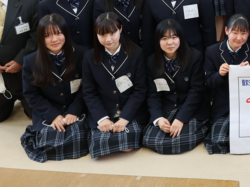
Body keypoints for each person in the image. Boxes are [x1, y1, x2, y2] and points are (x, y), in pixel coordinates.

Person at [21, 14, 88, 162]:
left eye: (58, 33)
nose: (54, 39)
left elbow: (87, 88)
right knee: (49, 142)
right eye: (48, 35)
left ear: (65, 33)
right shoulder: (30, 60)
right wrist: (53, 115)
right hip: (48, 110)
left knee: (81, 138)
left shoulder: (82, 54)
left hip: (76, 106)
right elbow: (31, 94)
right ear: (40, 38)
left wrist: (74, 111)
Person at [82, 13, 148, 158]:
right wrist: (102, 118)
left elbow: (140, 90)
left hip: (129, 111)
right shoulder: (89, 56)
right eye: (102, 35)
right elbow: (89, 92)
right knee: (100, 145)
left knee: (126, 146)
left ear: (121, 29)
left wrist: (125, 118)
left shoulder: (136, 53)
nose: (108, 39)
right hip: (104, 111)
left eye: (112, 33)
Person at [142, 19, 209, 154]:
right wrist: (159, 119)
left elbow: (196, 92)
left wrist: (181, 119)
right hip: (167, 108)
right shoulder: (151, 61)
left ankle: (203, 127)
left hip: (191, 109)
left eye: (174, 37)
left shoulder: (195, 57)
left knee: (180, 139)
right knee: (149, 139)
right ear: (158, 40)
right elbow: (152, 94)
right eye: (164, 38)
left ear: (181, 38)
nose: (170, 42)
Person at [204, 14, 250, 154]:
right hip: (223, 104)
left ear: (248, 33)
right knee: (218, 141)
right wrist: (220, 75)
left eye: (243, 33)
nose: (239, 37)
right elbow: (208, 82)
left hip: (247, 105)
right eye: (235, 32)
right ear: (226, 31)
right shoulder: (212, 51)